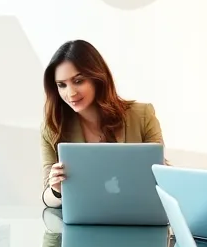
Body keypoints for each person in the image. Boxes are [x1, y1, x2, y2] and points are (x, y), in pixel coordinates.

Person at [41, 40, 164, 208]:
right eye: (62, 85)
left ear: (97, 77)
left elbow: (161, 177)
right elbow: (47, 196)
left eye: (78, 81)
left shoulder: (142, 115)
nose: (70, 93)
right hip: (84, 223)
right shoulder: (53, 128)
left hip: (137, 214)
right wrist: (56, 189)